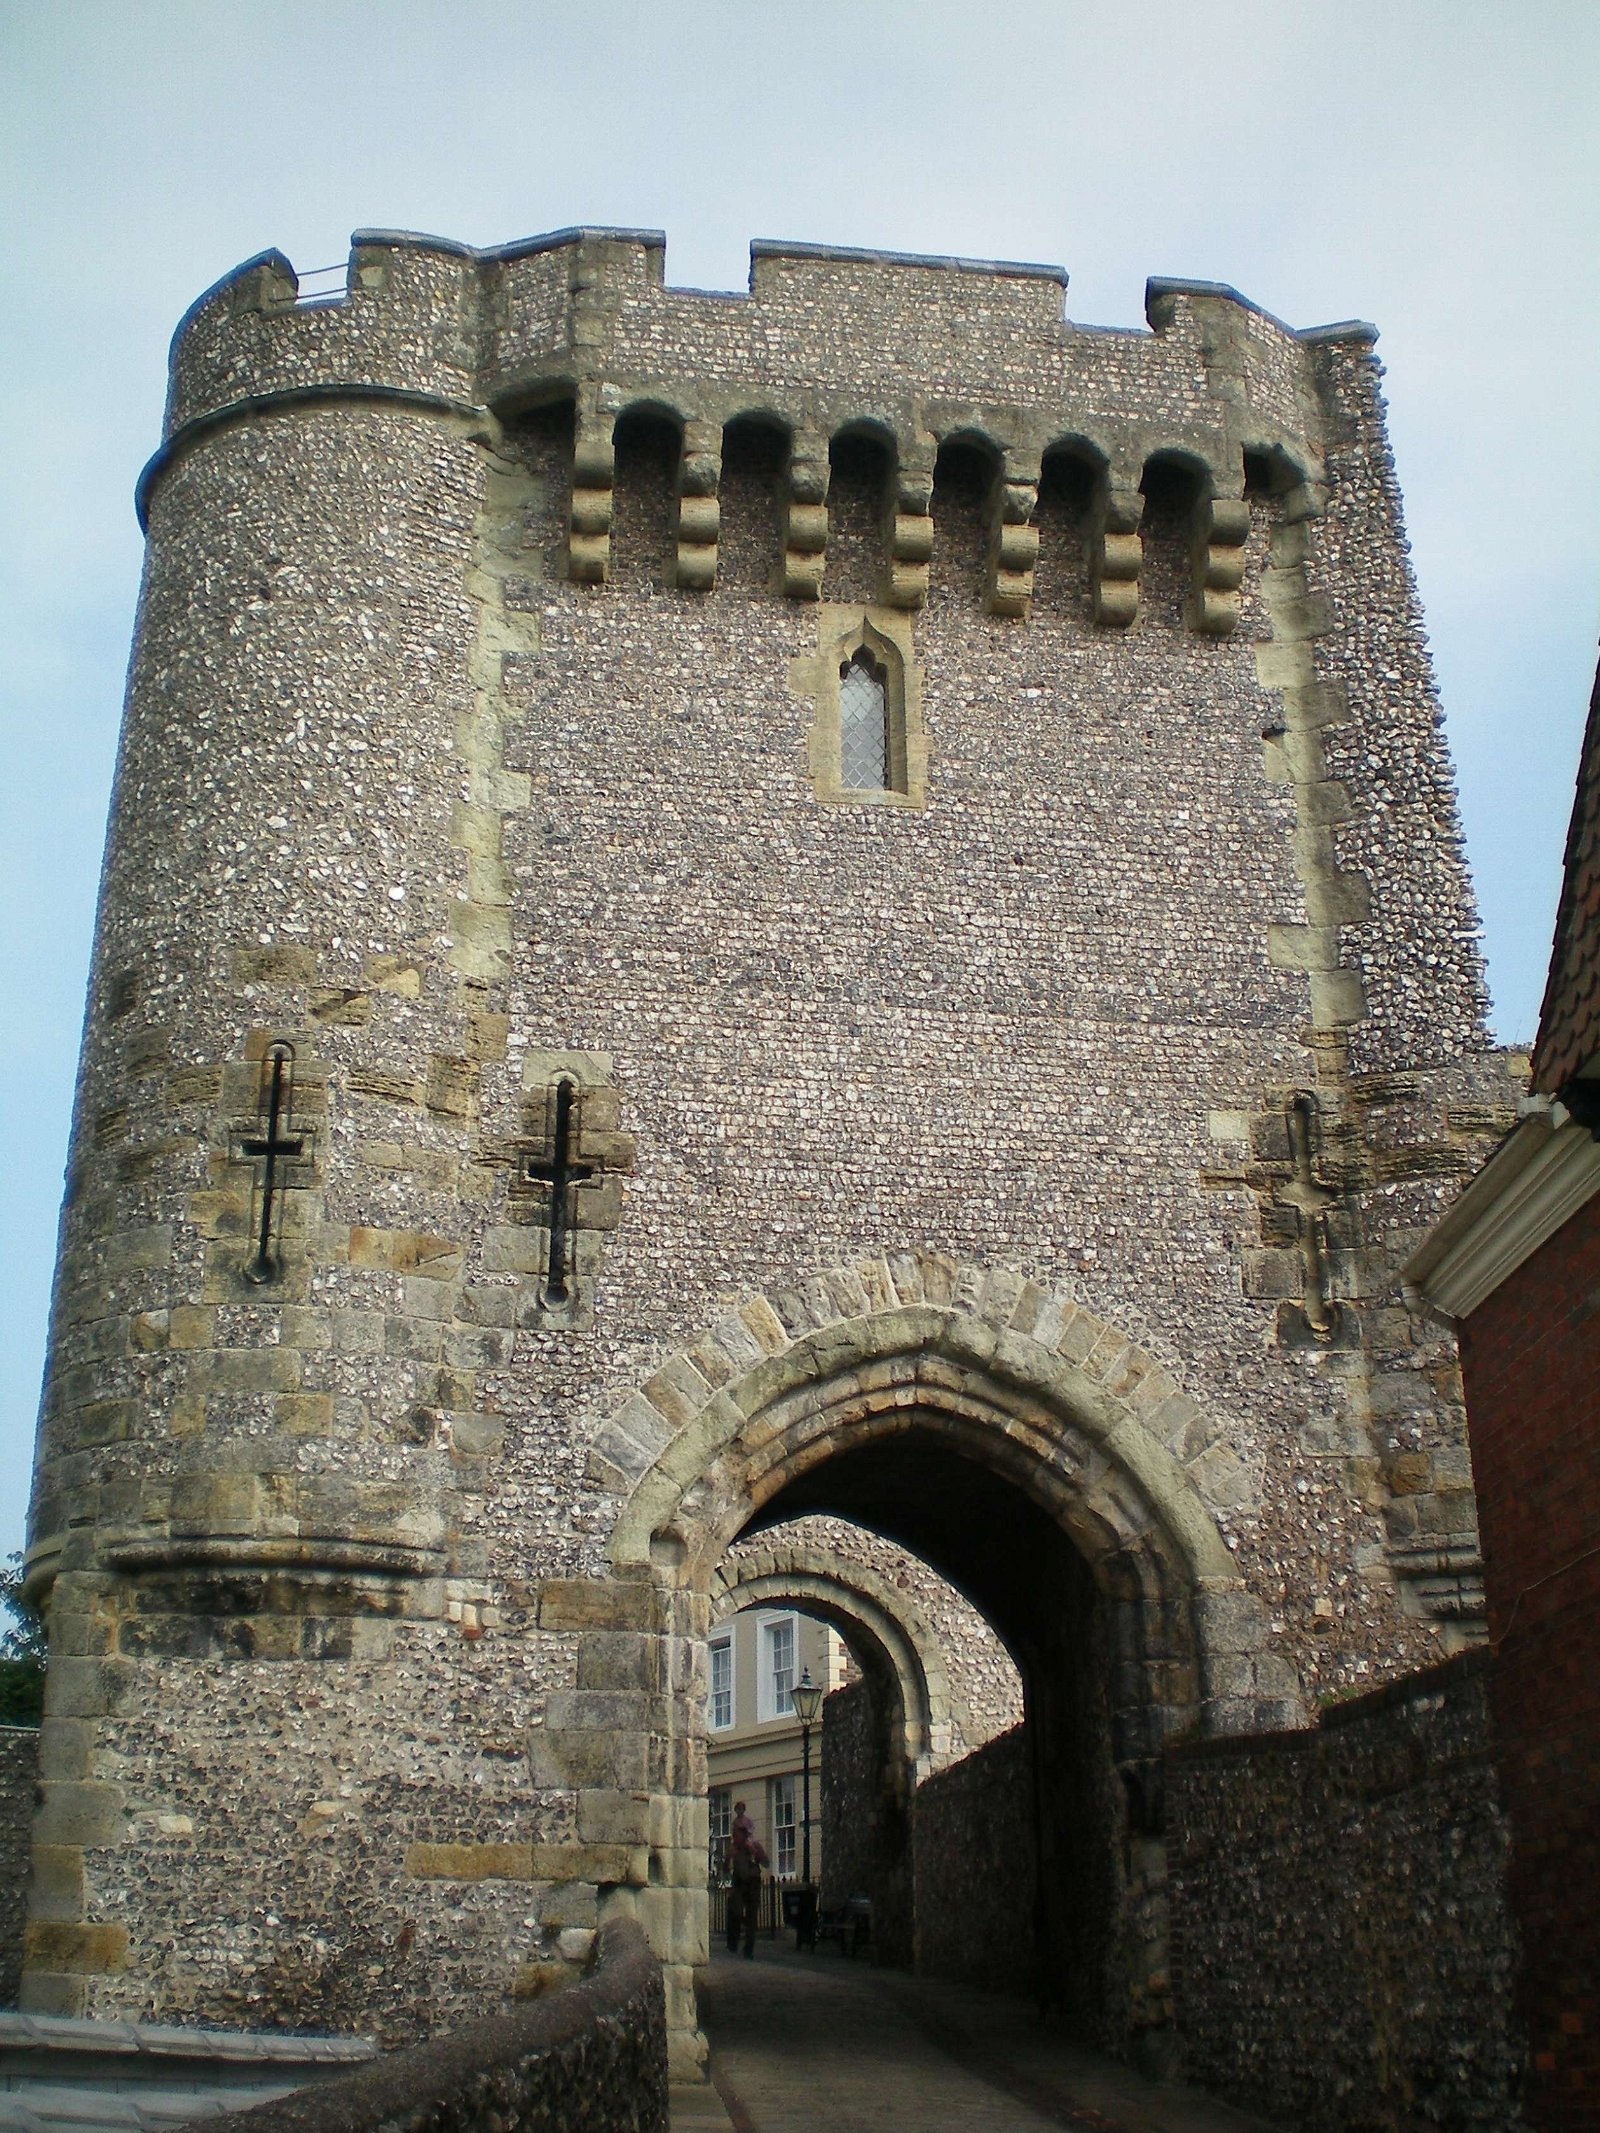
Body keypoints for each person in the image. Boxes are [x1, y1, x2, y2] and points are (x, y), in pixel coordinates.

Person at [725, 1800, 767, 1958]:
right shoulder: (733, 1849)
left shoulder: (753, 1845)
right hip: (738, 1882)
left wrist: (755, 1853)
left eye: (737, 1834)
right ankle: (733, 1942)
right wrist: (729, 1859)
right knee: (735, 1912)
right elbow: (725, 1866)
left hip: (753, 1883)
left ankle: (748, 1949)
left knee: (752, 1917)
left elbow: (766, 1862)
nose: (735, 1837)